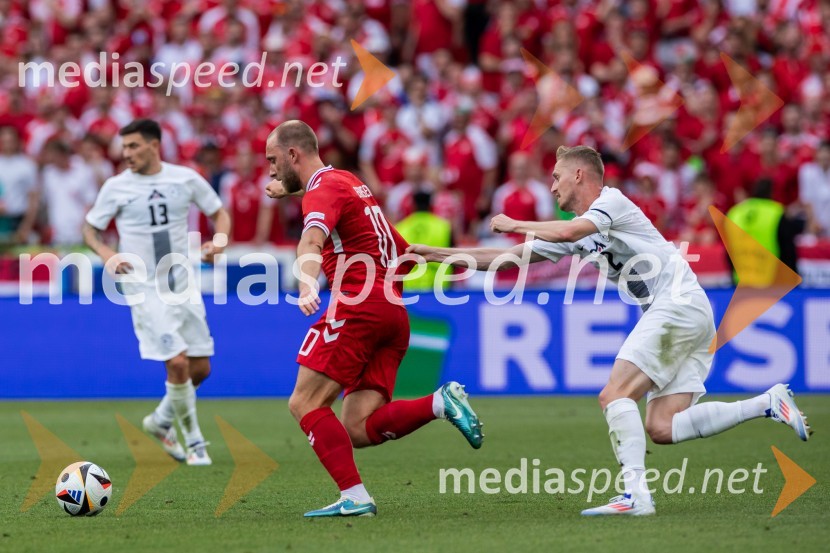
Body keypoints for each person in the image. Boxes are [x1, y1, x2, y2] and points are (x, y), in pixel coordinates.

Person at [409, 145, 811, 517]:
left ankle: (635, 494)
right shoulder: (579, 229)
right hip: (689, 310)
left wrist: (514, 221)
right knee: (662, 427)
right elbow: (504, 260)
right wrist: (436, 255)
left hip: (676, 302)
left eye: (555, 177)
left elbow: (567, 232)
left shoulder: (611, 202)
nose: (552, 185)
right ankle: (767, 403)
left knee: (614, 394)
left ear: (579, 175)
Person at [263, 120, 483, 518]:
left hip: (357, 307)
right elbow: (400, 249)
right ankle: (439, 402)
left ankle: (356, 497)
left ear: (293, 154)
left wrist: (307, 283)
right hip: (393, 313)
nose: (271, 170)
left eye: (273, 161)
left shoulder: (322, 191)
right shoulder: (351, 183)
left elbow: (310, 239)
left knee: (305, 402)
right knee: (357, 426)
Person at [82, 119, 231, 466]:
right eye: (124, 148)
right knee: (177, 362)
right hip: (143, 284)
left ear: (154, 145)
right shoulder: (116, 187)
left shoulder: (185, 178)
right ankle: (195, 443)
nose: (127, 154)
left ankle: (160, 421)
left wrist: (219, 241)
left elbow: (219, 213)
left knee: (201, 368)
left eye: (133, 146)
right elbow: (90, 229)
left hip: (181, 280)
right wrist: (107, 253)